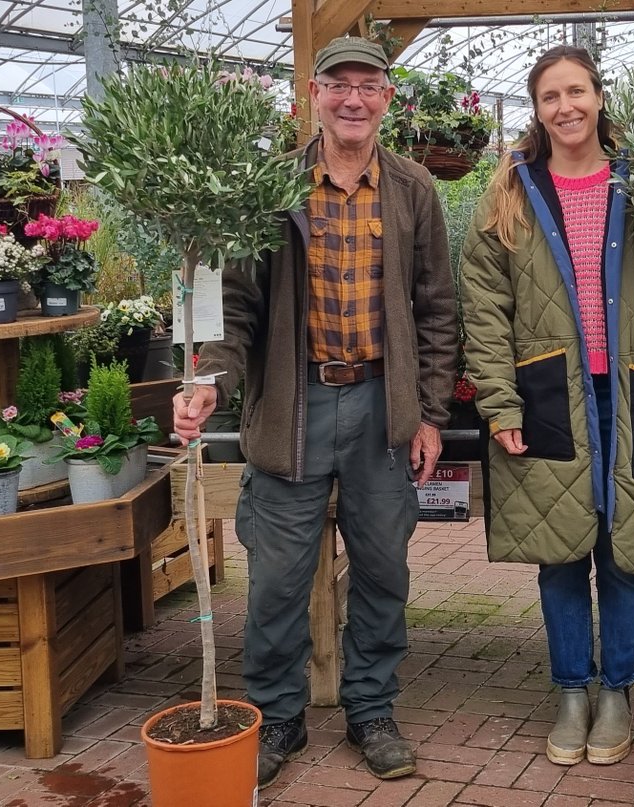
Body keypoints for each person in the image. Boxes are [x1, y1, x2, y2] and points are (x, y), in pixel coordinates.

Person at [173, 36, 457, 788]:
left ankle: (371, 709)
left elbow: (437, 310)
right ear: (314, 94)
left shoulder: (413, 190)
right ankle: (277, 715)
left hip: (382, 407)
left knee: (383, 569)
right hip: (292, 406)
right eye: (338, 84)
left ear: (388, 98)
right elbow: (234, 303)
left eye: (368, 85)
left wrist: (429, 414)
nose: (352, 99)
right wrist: (210, 381)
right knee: (276, 577)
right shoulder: (273, 185)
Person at [458, 45, 634, 767]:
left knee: (625, 549)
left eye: (576, 91)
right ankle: (571, 689)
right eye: (550, 96)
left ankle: (618, 690)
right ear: (536, 109)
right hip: (549, 396)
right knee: (559, 552)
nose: (565, 107)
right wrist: (500, 405)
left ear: (599, 97)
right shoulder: (510, 194)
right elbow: (484, 310)